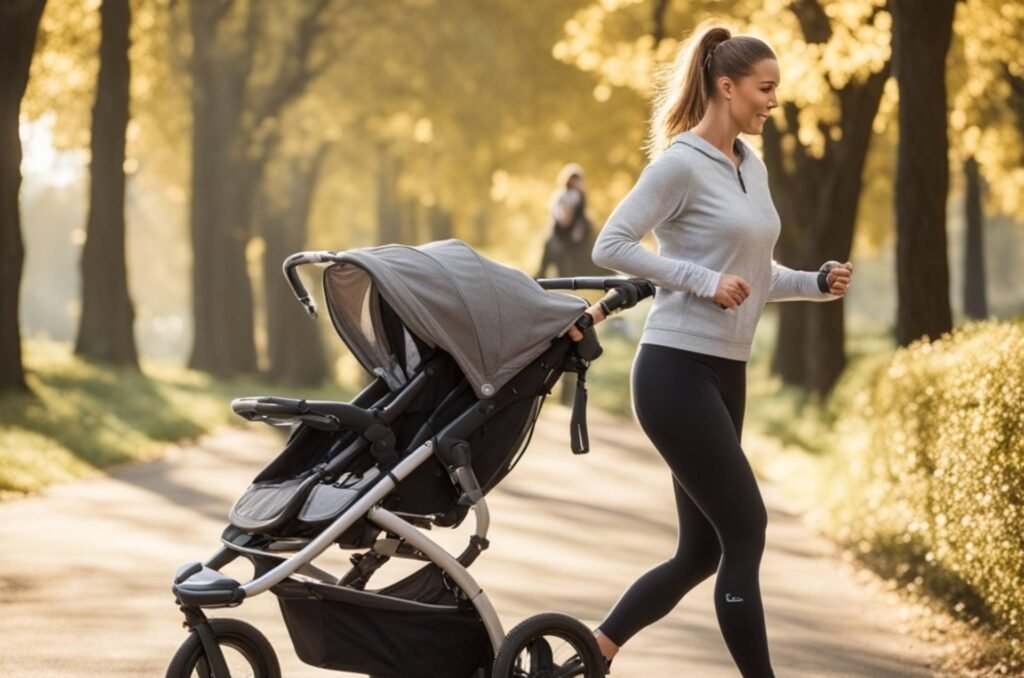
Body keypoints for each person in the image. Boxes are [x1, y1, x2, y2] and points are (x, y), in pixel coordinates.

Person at [567, 22, 854, 677]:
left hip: (728, 373)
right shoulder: (679, 163)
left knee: (700, 553)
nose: (773, 101)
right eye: (765, 88)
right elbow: (610, 245)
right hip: (674, 371)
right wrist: (700, 279)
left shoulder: (749, 166)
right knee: (746, 529)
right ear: (726, 87)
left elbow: (752, 275)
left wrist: (813, 283)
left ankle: (591, 656)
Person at [536, 163, 594, 278]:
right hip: (559, 231)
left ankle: (566, 277)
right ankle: (542, 275)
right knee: (551, 252)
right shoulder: (561, 194)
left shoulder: (579, 195)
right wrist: (562, 218)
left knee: (567, 258)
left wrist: (577, 230)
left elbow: (580, 215)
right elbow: (557, 213)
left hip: (572, 233)